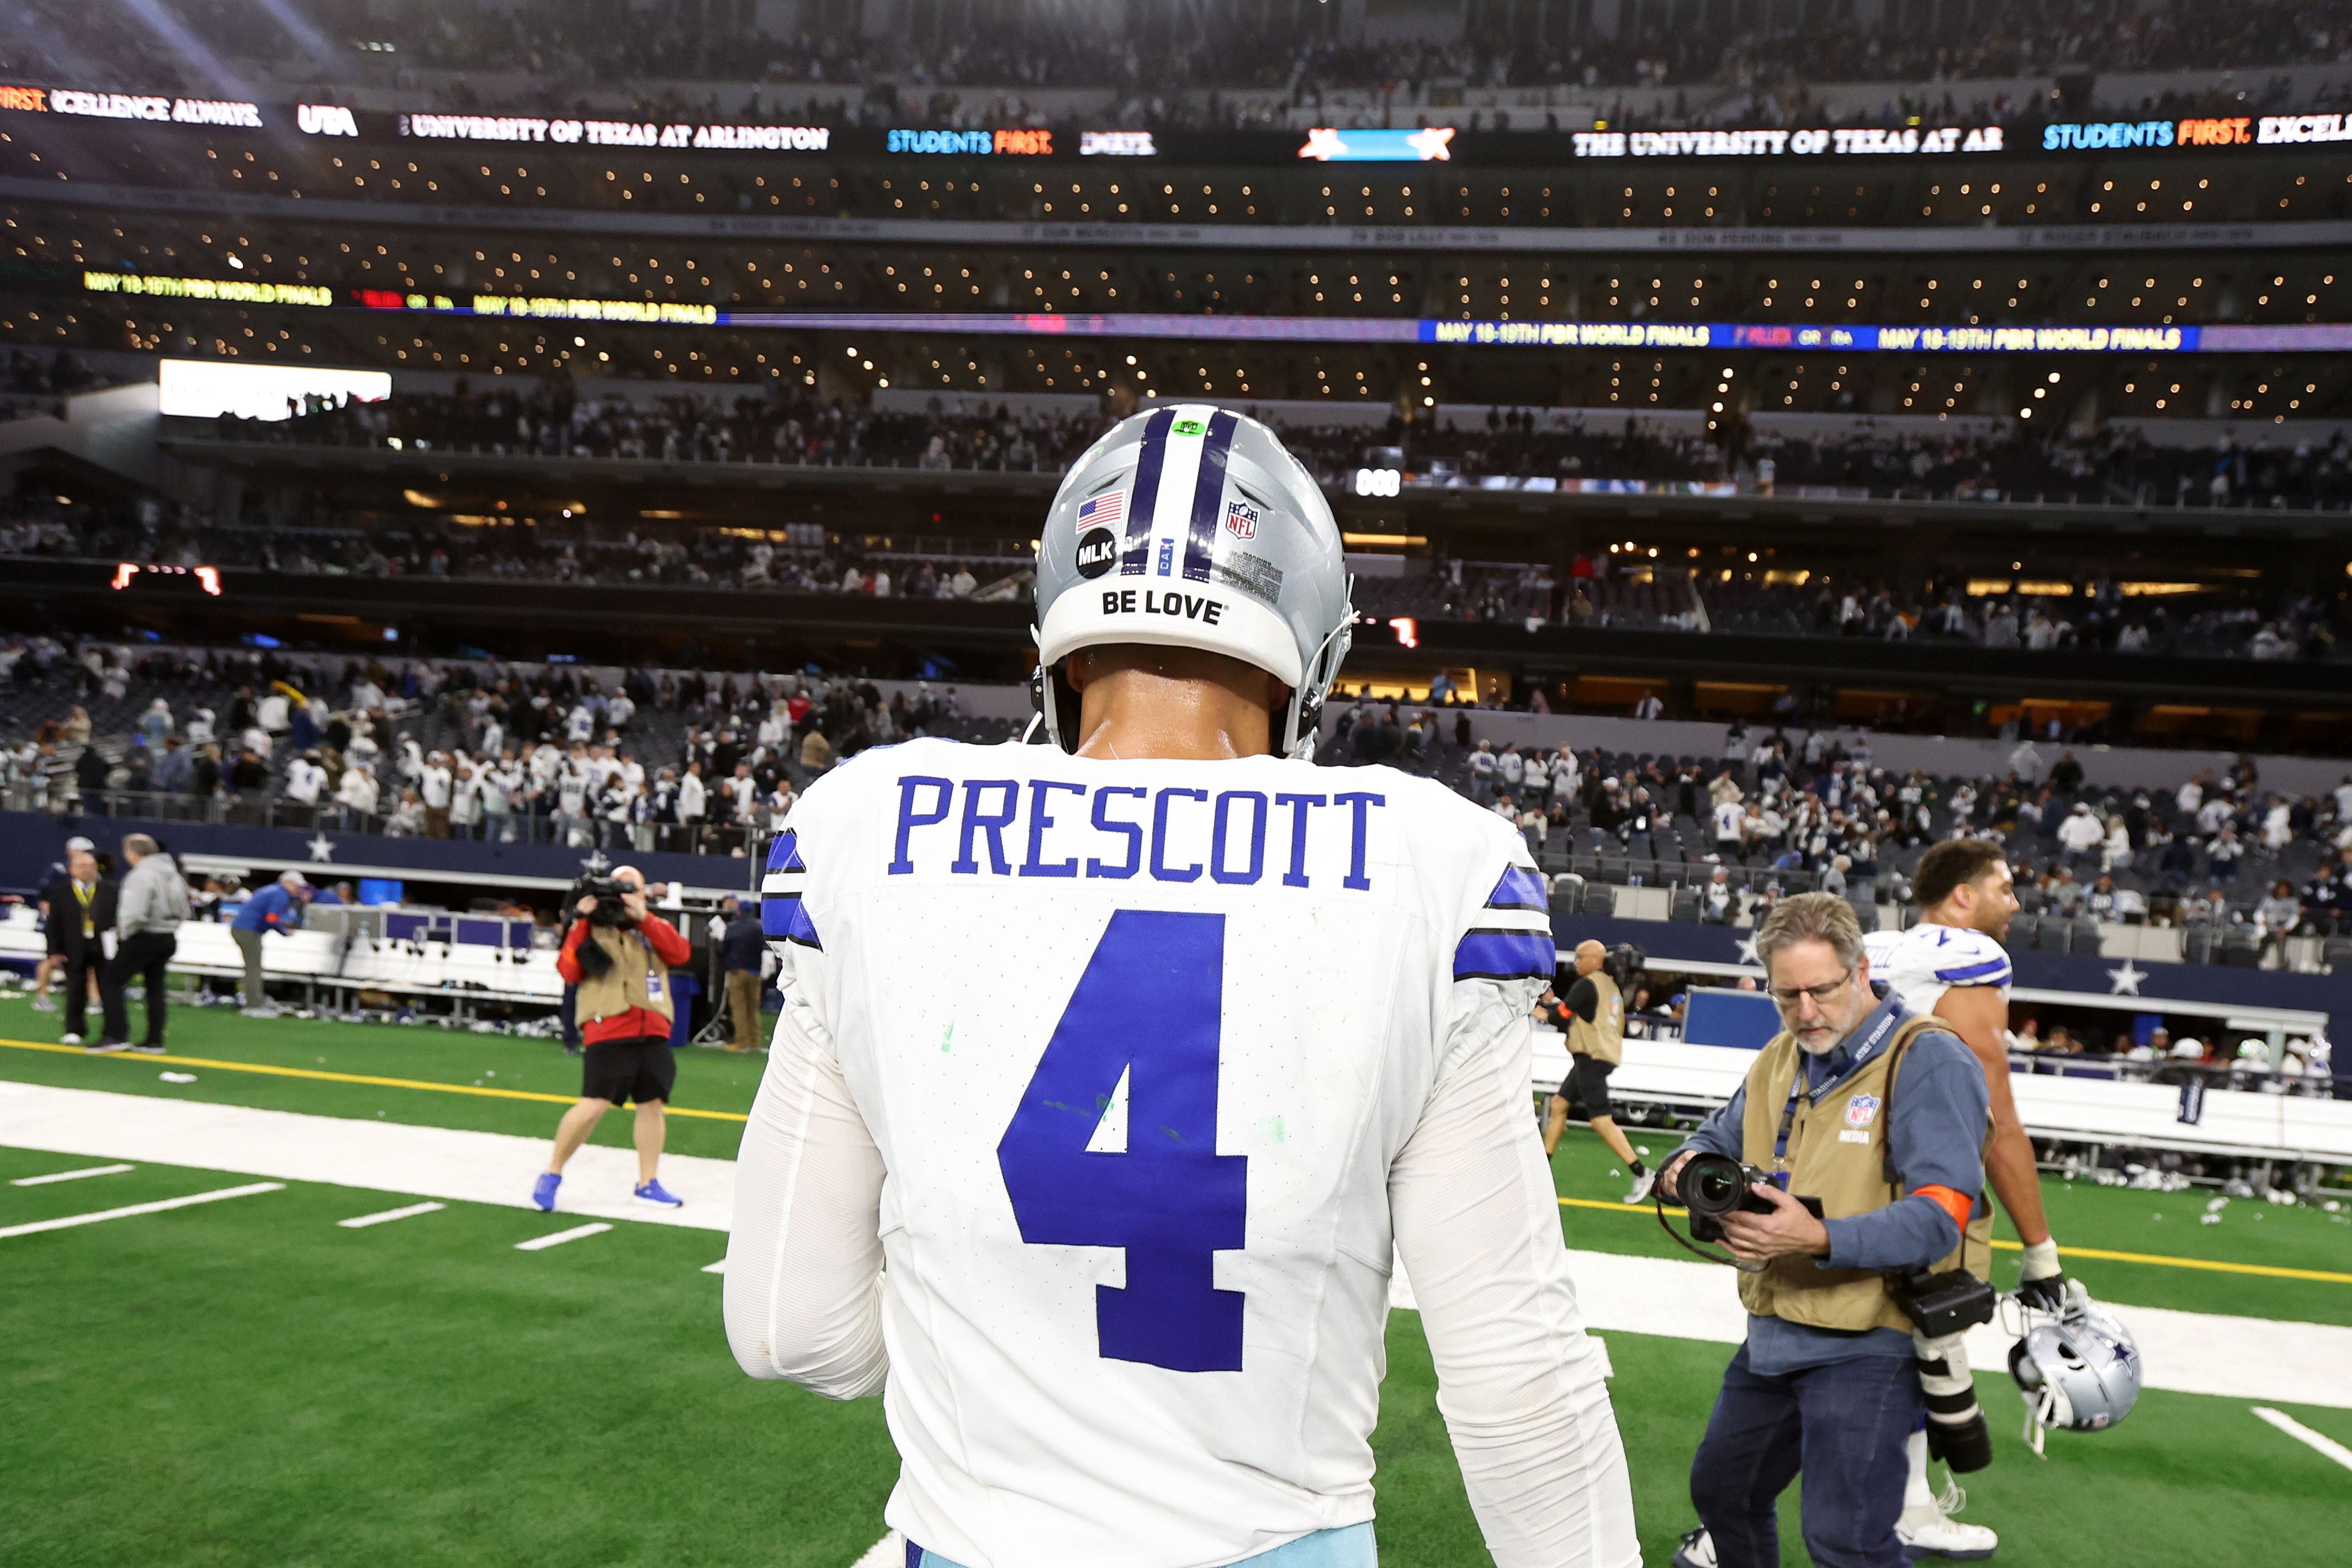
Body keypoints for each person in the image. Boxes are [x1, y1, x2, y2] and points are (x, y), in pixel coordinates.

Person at [724, 407, 1636, 1568]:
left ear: (1057, 621)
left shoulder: (870, 825)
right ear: (1314, 644)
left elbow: (789, 1330)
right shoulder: (1433, 861)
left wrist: (1007, 1350)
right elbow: (1519, 1382)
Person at [1663, 894, 1990, 1568]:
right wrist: (1686, 1171)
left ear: (1863, 969)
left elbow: (1942, 1216)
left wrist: (1817, 1237)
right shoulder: (1779, 1057)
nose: (1805, 1011)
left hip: (1870, 1335)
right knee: (1724, 1489)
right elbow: (1704, 1144)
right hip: (1776, 1326)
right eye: (1787, 995)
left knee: (1845, 1537)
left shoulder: (1927, 1057)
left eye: (1821, 990)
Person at [1850, 838, 2069, 1558]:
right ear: (1962, 897)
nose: (2016, 903)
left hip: (1843, 1169)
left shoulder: (1876, 951)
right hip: (1921, 1189)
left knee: (1882, 1346)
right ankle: (1732, 1524)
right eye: (2004, 888)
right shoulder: (1968, 962)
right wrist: (2041, 1253)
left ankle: (1910, 1502)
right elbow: (1995, 1115)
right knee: (1894, 1347)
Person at [533, 866, 693, 1211]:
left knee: (652, 1104)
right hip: (608, 1027)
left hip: (652, 1028)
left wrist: (645, 918)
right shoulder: (589, 927)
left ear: (643, 893)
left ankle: (648, 1183)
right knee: (593, 1104)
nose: (624, 898)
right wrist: (581, 921)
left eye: (632, 890)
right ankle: (552, 1173)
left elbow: (681, 954)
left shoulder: (652, 926)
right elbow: (569, 972)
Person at [1541, 939, 1655, 1203]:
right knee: (1559, 1104)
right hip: (1599, 1055)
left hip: (1591, 1057)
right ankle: (1543, 1164)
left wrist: (1533, 1009)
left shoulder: (1588, 984)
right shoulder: (1612, 987)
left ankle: (1640, 1171)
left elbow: (1560, 1016)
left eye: (1580, 957)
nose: (1576, 962)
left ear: (1595, 960)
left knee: (1600, 1119)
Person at [92, 833, 190, 1053]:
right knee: (155, 987)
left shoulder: (141, 875)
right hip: (167, 936)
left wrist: (124, 933)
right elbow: (185, 908)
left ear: (132, 851)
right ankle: (154, 1040)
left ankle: (115, 1035)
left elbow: (135, 912)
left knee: (110, 980)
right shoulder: (174, 874)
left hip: (144, 936)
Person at [42, 841, 114, 1046]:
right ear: (72, 869)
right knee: (75, 989)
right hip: (73, 947)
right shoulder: (61, 893)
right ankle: (74, 1029)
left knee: (108, 989)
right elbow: (53, 924)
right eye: (81, 866)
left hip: (103, 947)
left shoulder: (109, 890)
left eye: (91, 866)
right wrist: (54, 951)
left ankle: (112, 1031)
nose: (87, 870)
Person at [230, 870, 312, 1016]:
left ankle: (255, 1000)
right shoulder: (280, 894)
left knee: (253, 967)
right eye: (297, 886)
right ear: (287, 883)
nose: (299, 890)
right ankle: (254, 1005)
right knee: (254, 969)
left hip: (243, 928)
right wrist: (284, 932)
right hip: (249, 931)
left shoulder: (271, 890)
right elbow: (272, 918)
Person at [717, 894, 770, 1053]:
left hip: (737, 972)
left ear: (739, 911)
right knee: (753, 1008)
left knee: (739, 1008)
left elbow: (722, 950)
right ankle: (755, 1043)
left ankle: (742, 1044)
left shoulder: (732, 927)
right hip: (755, 972)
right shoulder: (759, 927)